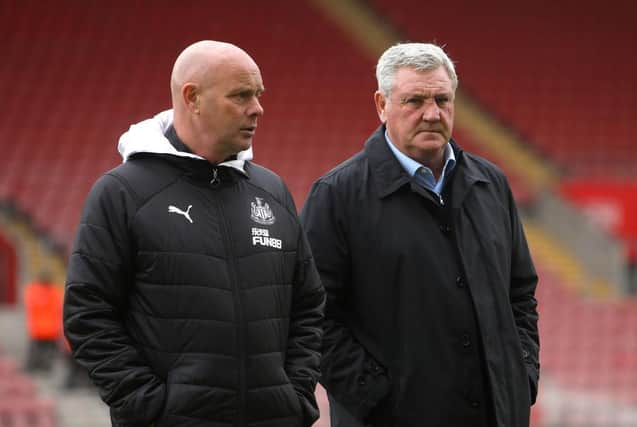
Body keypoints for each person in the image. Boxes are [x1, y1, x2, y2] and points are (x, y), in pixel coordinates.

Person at [63, 40, 325, 427]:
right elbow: (88, 314)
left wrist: (296, 395)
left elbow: (308, 304)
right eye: (241, 95)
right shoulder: (122, 192)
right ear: (192, 98)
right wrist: (150, 408)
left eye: (258, 94)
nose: (258, 108)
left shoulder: (271, 191)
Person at [300, 42, 539, 427]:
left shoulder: (490, 184)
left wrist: (521, 374)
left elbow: (521, 293)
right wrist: (377, 399)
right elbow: (313, 316)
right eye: (414, 101)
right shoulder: (336, 196)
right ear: (382, 104)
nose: (432, 113)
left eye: (442, 99)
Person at [23, 271, 63, 372]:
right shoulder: (54, 291)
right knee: (44, 352)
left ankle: (36, 367)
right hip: (46, 330)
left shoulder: (33, 290)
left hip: (42, 329)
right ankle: (40, 367)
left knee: (40, 351)